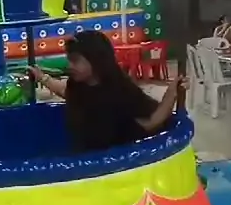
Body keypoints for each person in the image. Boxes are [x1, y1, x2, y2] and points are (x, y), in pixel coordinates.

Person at [28, 31, 185, 153]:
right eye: (69, 59)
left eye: (75, 60)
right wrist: (42, 78)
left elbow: (152, 121)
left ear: (96, 60)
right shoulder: (76, 85)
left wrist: (172, 92)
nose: (70, 65)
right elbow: (65, 91)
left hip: (115, 163)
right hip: (84, 156)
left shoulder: (120, 91)